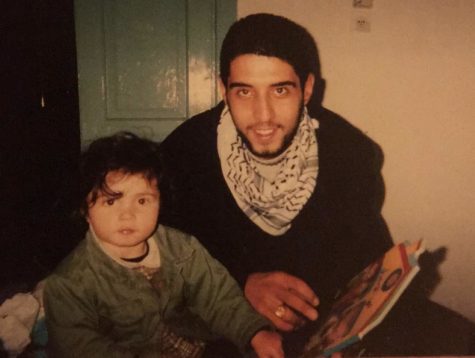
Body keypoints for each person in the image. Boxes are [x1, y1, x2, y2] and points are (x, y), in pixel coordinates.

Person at [160, 13, 392, 356]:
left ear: (308, 89)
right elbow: (158, 254)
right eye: (244, 92)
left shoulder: (351, 155)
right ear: (223, 90)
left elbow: (365, 258)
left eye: (280, 90)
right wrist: (241, 283)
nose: (263, 115)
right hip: (219, 330)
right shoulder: (183, 153)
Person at [43, 132, 283, 357]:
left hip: (195, 344)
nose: (128, 215)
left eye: (142, 200)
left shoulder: (183, 249)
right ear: (85, 209)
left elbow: (218, 297)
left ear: (160, 202)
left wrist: (255, 332)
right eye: (111, 202)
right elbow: (80, 348)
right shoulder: (68, 285)